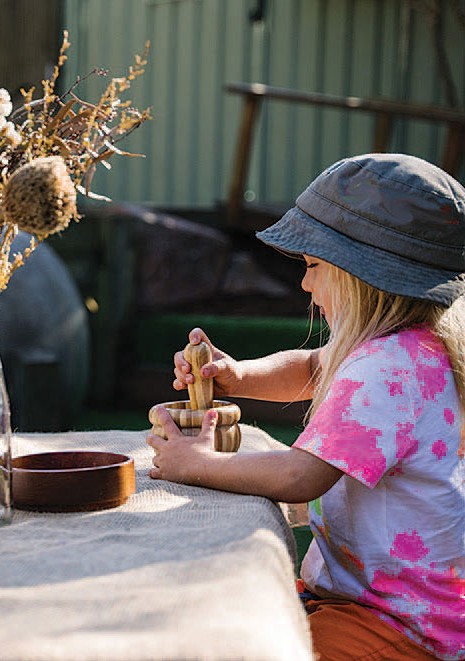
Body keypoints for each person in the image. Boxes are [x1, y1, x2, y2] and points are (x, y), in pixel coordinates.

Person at [148, 153, 465, 660]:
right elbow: (313, 367)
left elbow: (301, 477)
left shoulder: (386, 367)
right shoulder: (413, 348)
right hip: (396, 603)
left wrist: (198, 463)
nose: (305, 283)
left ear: (362, 274)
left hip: (400, 624)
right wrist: (236, 376)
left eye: (314, 267)